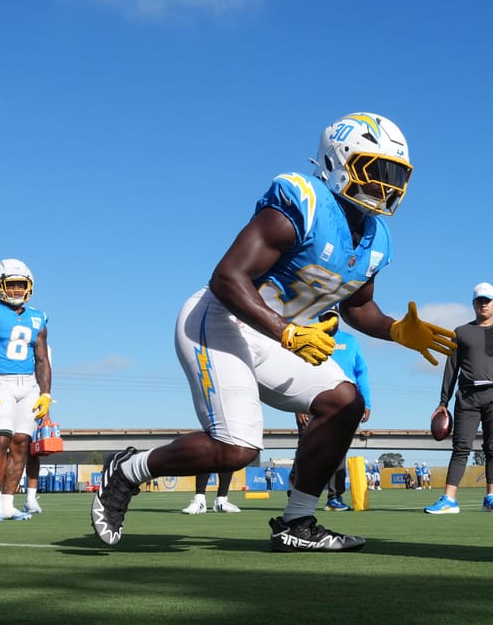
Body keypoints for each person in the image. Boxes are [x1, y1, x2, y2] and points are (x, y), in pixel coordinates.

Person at [90, 112, 455, 551]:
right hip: (220, 320)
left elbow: (357, 307)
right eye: (375, 171)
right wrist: (286, 333)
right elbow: (227, 278)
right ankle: (128, 470)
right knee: (239, 448)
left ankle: (297, 523)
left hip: (274, 335)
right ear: (339, 161)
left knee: (344, 401)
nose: (385, 185)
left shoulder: (376, 237)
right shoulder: (303, 201)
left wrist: (396, 330)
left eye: (395, 175)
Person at [425, 282, 493, 515]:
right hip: (467, 396)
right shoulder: (461, 333)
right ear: (473, 304)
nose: (483, 305)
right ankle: (449, 500)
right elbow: (451, 368)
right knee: (460, 447)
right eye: (479, 301)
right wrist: (443, 402)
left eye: (487, 301)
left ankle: (491, 498)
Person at [0, 258, 51, 522]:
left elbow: (42, 360)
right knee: (0, 440)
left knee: (21, 445)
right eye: (11, 285)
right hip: (0, 382)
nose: (16, 290)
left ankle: (8, 503)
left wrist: (46, 392)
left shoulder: (38, 318)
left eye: (21, 285)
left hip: (28, 385)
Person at [294, 311, 371, 511]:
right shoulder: (307, 335)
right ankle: (296, 496)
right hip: (310, 401)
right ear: (318, 318)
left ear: (338, 318)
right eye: (324, 317)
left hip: (344, 404)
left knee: (338, 451)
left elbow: (361, 372)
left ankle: (334, 498)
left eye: (333, 317)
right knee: (306, 448)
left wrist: (367, 402)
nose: (329, 321)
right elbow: (296, 370)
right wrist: (297, 406)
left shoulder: (350, 341)